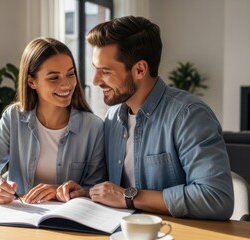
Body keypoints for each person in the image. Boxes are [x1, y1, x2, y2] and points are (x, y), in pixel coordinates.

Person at [57, 16, 234, 220]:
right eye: (96, 70)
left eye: (105, 72)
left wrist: (130, 197)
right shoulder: (113, 118)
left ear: (139, 70)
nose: (96, 81)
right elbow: (113, 191)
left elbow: (217, 198)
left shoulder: (189, 115)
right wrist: (86, 192)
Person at [0, 37, 106, 204]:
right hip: (21, 218)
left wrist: (59, 191)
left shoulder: (94, 127)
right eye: (54, 78)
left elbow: (97, 189)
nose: (66, 85)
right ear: (31, 81)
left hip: (69, 223)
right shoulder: (13, 117)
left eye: (70, 74)